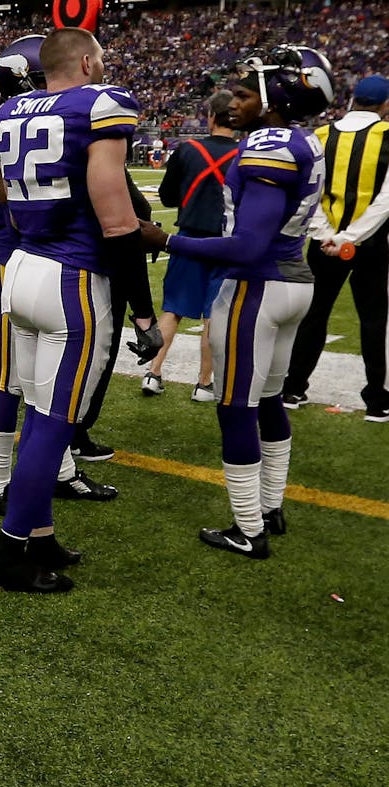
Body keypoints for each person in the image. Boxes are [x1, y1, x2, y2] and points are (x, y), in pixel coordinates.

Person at [0, 28, 160, 593]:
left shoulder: (8, 111)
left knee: (37, 412)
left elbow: (9, 202)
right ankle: (10, 555)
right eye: (100, 60)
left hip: (21, 271)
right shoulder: (102, 104)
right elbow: (118, 219)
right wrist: (145, 315)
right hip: (72, 282)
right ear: (85, 61)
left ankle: (39, 534)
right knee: (54, 425)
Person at [141, 45, 331, 557]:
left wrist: (166, 242)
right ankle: (269, 506)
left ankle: (249, 529)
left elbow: (247, 245)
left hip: (256, 285)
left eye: (245, 94)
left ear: (273, 99)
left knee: (235, 406)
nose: (233, 103)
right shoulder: (304, 141)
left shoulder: (268, 143)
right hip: (293, 281)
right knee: (267, 398)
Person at [283, 73, 389, 421]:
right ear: (384, 105)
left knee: (314, 316)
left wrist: (328, 233)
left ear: (352, 100)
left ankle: (293, 387)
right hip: (371, 244)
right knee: (373, 319)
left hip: (323, 241)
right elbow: (385, 201)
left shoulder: (321, 135)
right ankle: (376, 400)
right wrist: (351, 238)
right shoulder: (386, 135)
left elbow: (307, 192)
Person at [143, 91, 238, 402]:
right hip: (225, 243)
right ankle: (204, 384)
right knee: (214, 314)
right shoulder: (243, 153)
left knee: (172, 309)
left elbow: (168, 197)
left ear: (210, 116)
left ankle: (153, 373)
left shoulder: (187, 149)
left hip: (187, 240)